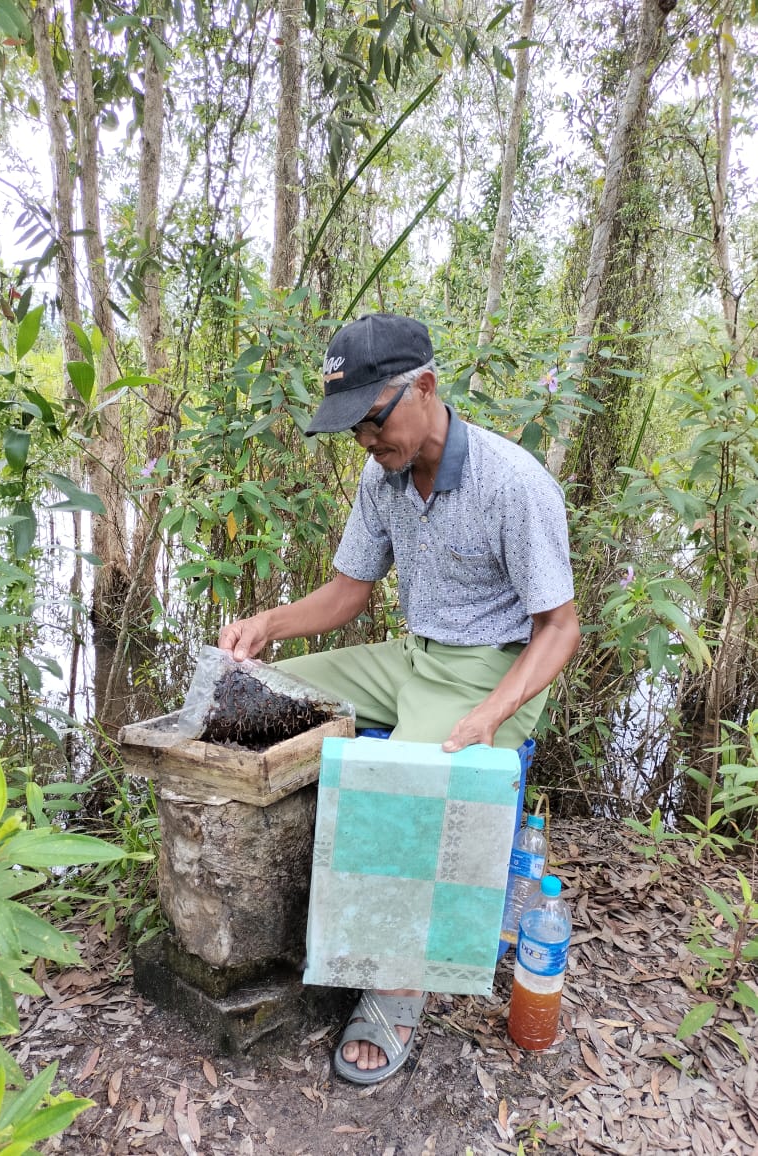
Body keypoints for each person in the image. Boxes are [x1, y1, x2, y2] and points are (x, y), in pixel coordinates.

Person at [219, 313, 580, 1084]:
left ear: (424, 388)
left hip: (489, 669)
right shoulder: (381, 476)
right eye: (351, 429)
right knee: (264, 693)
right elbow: (349, 590)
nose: (364, 441)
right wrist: (266, 625)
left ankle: (396, 987)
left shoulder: (512, 483)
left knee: (407, 790)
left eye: (372, 421)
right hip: (412, 656)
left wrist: (491, 713)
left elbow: (559, 628)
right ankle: (284, 909)